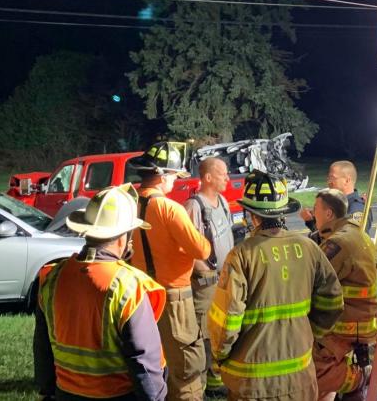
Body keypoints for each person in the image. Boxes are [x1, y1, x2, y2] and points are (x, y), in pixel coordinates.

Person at [209, 170, 344, 401]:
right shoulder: (310, 248)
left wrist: (220, 354)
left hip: (252, 384)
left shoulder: (241, 255)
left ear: (252, 215)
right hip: (300, 379)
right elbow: (332, 301)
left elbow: (227, 320)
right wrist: (309, 333)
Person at [34, 184, 168, 401]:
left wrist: (47, 389)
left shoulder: (51, 277)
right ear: (123, 237)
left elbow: (42, 347)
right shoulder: (128, 285)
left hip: (65, 394)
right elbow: (144, 363)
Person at [127, 141, 212, 401]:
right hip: (174, 299)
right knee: (186, 370)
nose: (175, 181)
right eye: (174, 176)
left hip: (141, 296)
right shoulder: (169, 208)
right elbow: (203, 251)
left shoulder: (129, 203)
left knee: (152, 365)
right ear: (162, 176)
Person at [309, 189, 377, 401]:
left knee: (315, 369)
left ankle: (359, 378)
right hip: (359, 320)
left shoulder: (338, 243)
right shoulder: (355, 232)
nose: (313, 215)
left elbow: (312, 279)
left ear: (329, 214)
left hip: (346, 325)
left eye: (316, 210)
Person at [183, 157, 235, 396]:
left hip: (224, 280)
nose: (227, 177)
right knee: (204, 334)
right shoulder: (194, 206)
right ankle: (200, 385)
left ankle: (216, 382)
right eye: (223, 173)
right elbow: (186, 248)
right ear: (208, 178)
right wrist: (206, 271)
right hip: (206, 285)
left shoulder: (223, 201)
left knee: (221, 330)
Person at [300, 161, 374, 232]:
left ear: (347, 181)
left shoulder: (356, 209)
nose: (329, 182)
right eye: (328, 178)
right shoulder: (337, 204)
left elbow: (342, 241)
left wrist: (311, 222)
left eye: (333, 178)